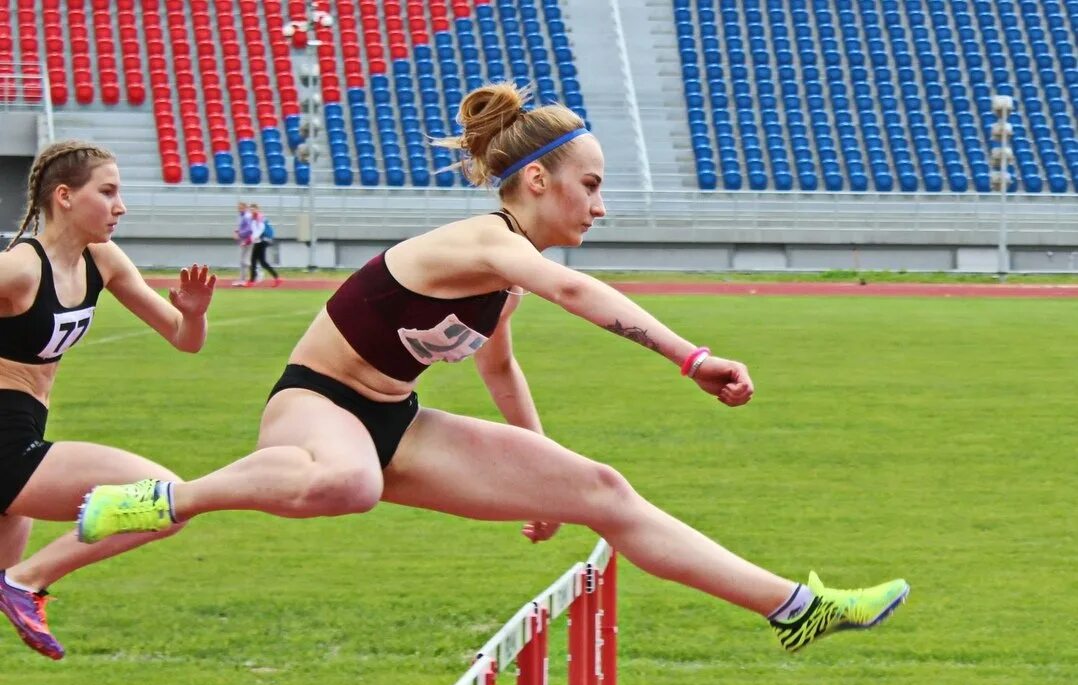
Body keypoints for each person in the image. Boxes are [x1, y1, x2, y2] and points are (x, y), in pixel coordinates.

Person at [76, 84, 909, 654]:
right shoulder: (483, 241)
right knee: (349, 485)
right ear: (538, 179)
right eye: (590, 185)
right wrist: (689, 357)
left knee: (603, 492)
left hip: (393, 421)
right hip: (315, 406)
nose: (601, 204)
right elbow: (575, 291)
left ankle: (796, 609)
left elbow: (501, 372)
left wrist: (543, 471)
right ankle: (163, 499)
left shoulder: (499, 280)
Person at [0, 139, 216, 660]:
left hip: (25, 435)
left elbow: (185, 340)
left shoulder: (102, 260)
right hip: (5, 441)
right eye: (109, 192)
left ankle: (22, 582)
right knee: (166, 495)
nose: (122, 206)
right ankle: (27, 581)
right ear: (65, 197)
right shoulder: (21, 269)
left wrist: (193, 312)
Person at [246, 204, 280, 287]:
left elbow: (260, 230)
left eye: (253, 209)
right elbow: (255, 231)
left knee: (256, 261)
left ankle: (252, 281)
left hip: (262, 241)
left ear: (257, 209)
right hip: (259, 241)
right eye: (251, 210)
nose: (252, 211)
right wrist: (251, 238)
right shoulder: (254, 218)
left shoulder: (259, 218)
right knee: (260, 262)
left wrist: (252, 238)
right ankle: (276, 278)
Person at [232, 200, 254, 286]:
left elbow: (249, 229)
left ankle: (253, 274)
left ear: (245, 208)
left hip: (247, 240)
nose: (238, 209)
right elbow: (243, 227)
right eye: (238, 208)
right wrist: (237, 231)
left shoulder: (246, 216)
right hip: (245, 240)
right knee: (243, 260)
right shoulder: (242, 216)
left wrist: (239, 234)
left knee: (244, 260)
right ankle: (243, 279)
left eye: (240, 208)